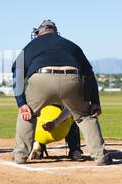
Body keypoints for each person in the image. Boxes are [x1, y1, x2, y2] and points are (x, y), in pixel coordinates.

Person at [12, 20, 112, 166]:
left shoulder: (31, 45)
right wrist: (95, 102)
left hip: (42, 79)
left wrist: (21, 103)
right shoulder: (70, 44)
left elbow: (17, 71)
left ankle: (20, 156)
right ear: (55, 31)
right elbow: (89, 74)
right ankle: (100, 156)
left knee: (27, 114)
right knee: (85, 117)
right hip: (72, 79)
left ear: (39, 32)